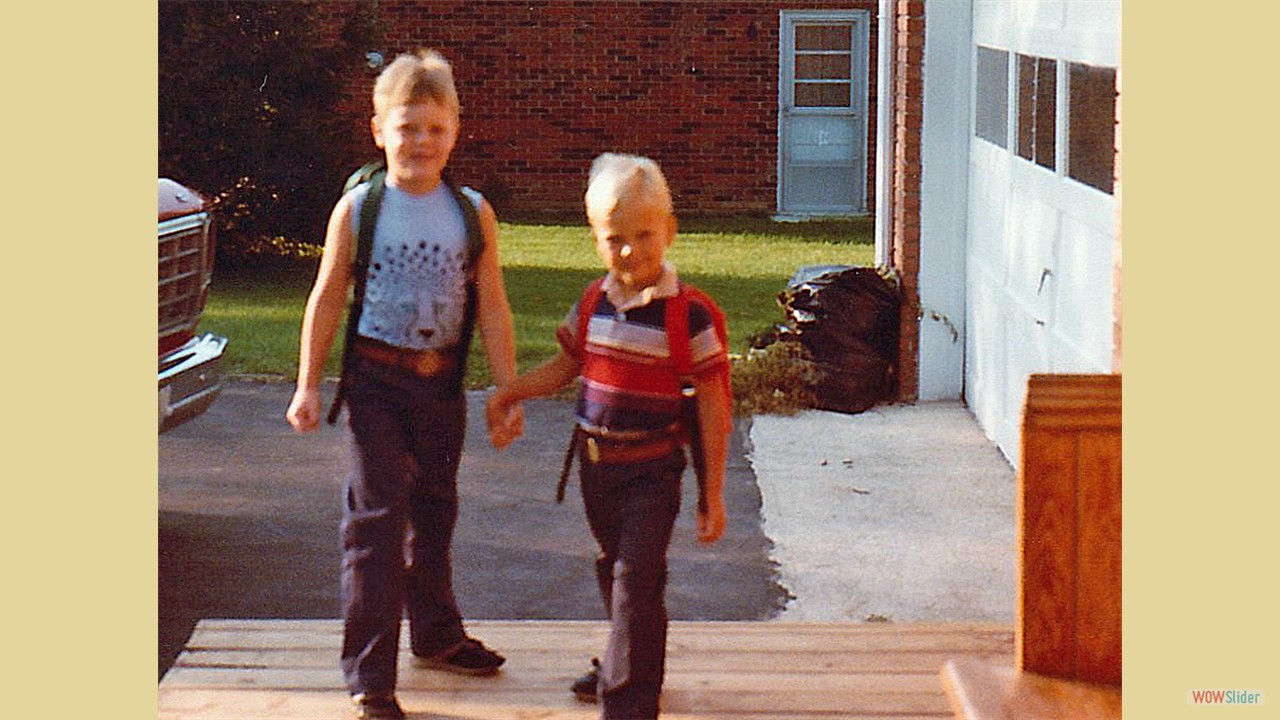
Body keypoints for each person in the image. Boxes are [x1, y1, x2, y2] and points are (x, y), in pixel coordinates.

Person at [285, 49, 523, 720]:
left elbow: (496, 305)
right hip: (376, 386)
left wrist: (505, 389)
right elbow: (328, 296)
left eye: (434, 129)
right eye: (406, 127)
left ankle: (438, 637)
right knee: (378, 522)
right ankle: (371, 676)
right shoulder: (360, 209)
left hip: (441, 386)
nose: (420, 142)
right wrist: (307, 384)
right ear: (378, 130)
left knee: (435, 512)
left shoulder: (471, 211)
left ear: (455, 132)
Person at [486, 152, 732, 719]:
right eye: (614, 238)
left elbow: (715, 406)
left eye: (645, 235)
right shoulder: (592, 304)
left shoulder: (690, 316)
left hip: (653, 470)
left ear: (669, 230)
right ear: (596, 240)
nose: (630, 251)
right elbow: (564, 365)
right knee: (618, 571)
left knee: (634, 576)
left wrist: (711, 493)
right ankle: (633, 663)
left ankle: (625, 700)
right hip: (596, 468)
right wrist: (511, 392)